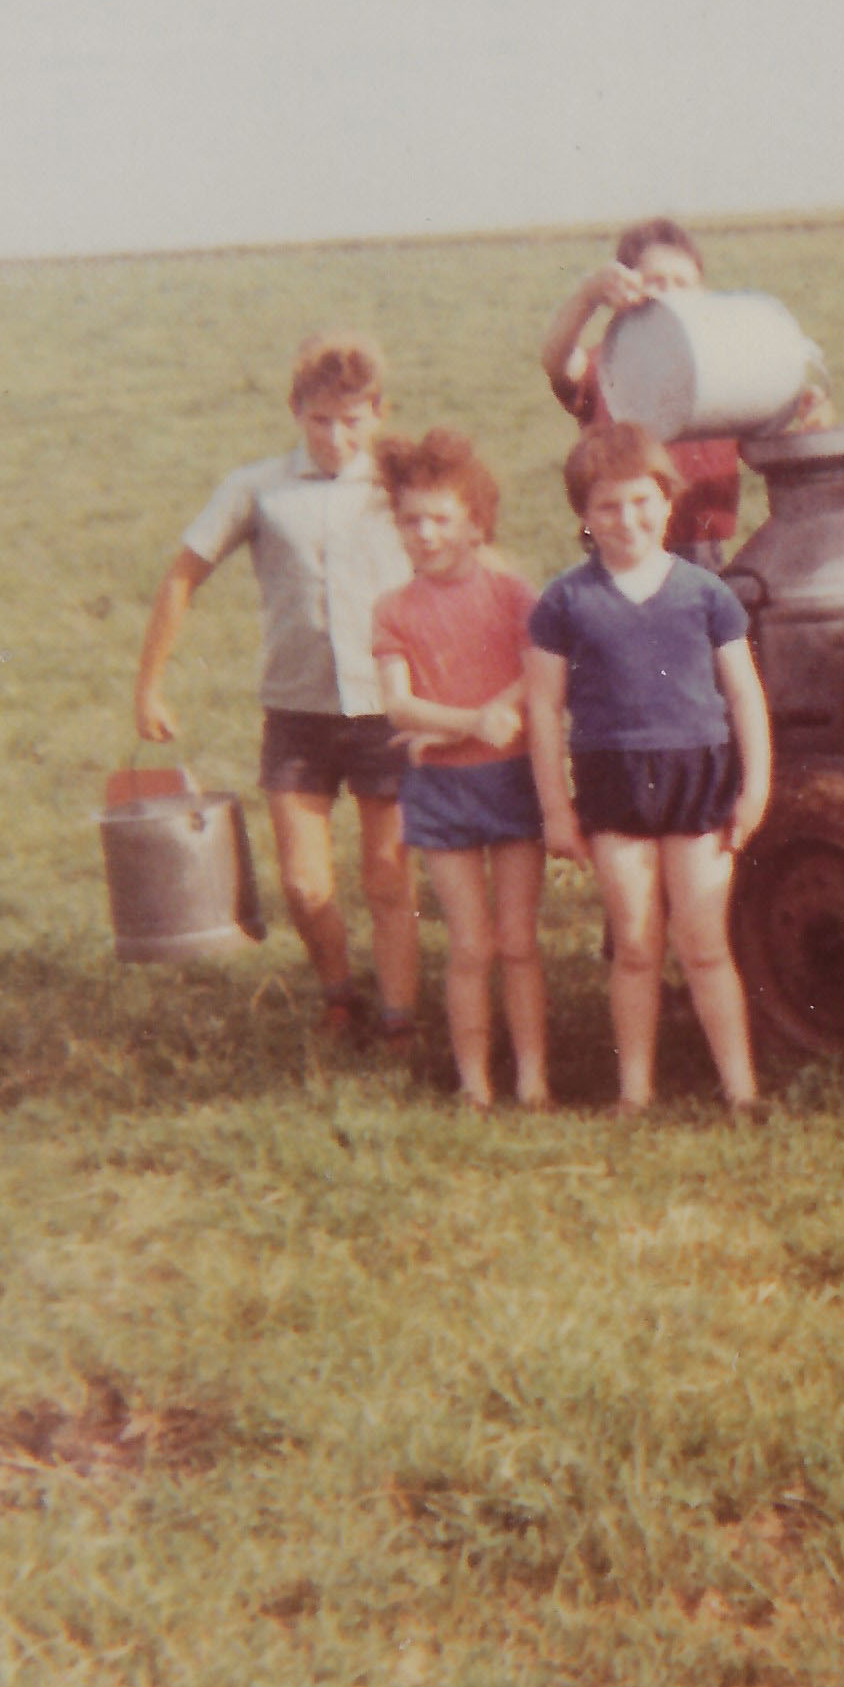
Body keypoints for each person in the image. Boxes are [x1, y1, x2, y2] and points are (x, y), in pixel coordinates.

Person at [134, 331, 421, 1048]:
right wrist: (149, 685)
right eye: (321, 419)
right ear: (296, 410)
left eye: (353, 418)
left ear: (380, 412)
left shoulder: (403, 485)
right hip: (297, 713)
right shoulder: (256, 488)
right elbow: (182, 575)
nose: (336, 435)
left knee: (387, 876)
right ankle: (338, 995)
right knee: (303, 881)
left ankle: (398, 1016)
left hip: (389, 707)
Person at [525, 424, 773, 1116]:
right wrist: (555, 808)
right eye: (607, 506)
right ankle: (634, 1091)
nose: (626, 519)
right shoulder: (564, 601)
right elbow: (543, 708)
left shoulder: (705, 593)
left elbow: (744, 693)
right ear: (583, 515)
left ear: (667, 502)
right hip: (613, 781)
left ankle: (741, 1089)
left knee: (703, 940)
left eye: (640, 501)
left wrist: (755, 786)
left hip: (699, 779)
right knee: (635, 943)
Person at [370, 430, 546, 1111]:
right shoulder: (395, 608)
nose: (426, 533)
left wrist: (494, 711)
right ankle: (474, 1080)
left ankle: (533, 1077)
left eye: (441, 518)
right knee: (471, 944)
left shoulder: (510, 592)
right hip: (442, 789)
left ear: (475, 521)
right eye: (412, 520)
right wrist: (472, 721)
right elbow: (397, 701)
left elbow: (538, 671)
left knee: (519, 940)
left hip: (509, 778)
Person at [540, 218, 746, 569]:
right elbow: (556, 361)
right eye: (655, 282)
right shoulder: (605, 366)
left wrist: (815, 411)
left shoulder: (724, 371)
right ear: (625, 291)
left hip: (701, 549)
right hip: (620, 543)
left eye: (682, 283)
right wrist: (587, 296)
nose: (669, 294)